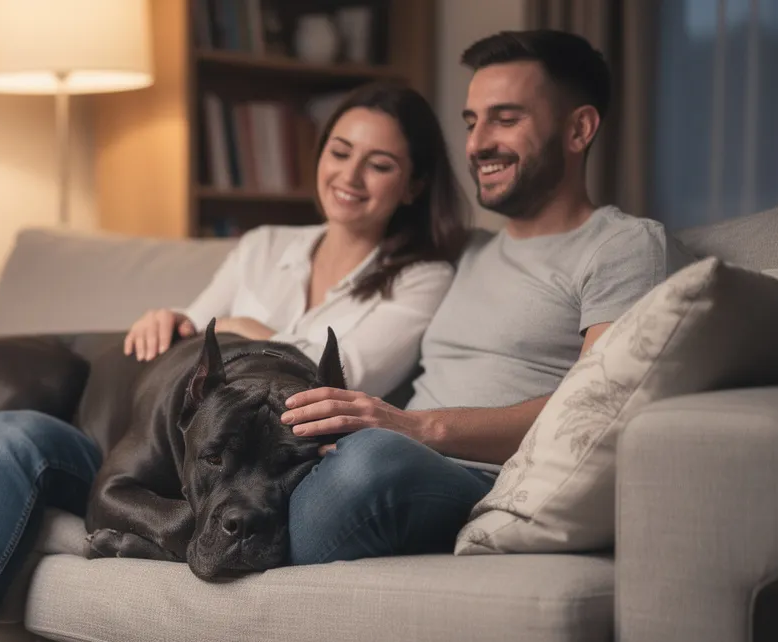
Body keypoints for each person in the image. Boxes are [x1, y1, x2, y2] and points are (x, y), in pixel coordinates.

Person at [0, 80, 469, 641]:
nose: (350, 175)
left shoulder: (422, 280)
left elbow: (341, 383)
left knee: (22, 433)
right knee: (12, 428)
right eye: (339, 152)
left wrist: (238, 329)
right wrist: (163, 319)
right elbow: (198, 344)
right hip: (93, 428)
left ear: (414, 184)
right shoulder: (264, 245)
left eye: (380, 163)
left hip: (253, 433)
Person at [277, 29, 695, 566]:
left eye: (506, 118)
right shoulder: (466, 251)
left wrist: (416, 427)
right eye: (472, 122)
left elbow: (601, 404)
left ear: (579, 129)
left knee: (369, 462)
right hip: (395, 450)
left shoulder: (623, 245)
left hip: (477, 477)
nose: (476, 144)